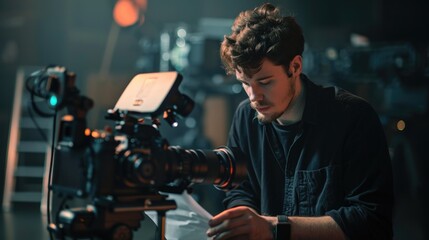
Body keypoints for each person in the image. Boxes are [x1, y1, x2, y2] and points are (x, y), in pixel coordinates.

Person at [206, 3, 394, 240]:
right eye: (245, 83)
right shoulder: (245, 116)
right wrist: (244, 222)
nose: (254, 97)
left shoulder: (353, 117)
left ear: (294, 66)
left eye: (264, 82)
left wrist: (274, 228)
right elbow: (240, 192)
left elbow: (371, 221)